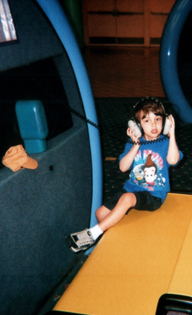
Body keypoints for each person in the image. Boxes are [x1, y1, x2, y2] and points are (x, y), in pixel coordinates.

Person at [66, 97, 183, 252]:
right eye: (147, 121)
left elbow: (174, 160)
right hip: (131, 189)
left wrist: (172, 134)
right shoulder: (133, 142)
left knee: (126, 199)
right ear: (137, 126)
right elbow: (123, 167)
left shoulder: (166, 143)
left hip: (154, 194)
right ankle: (123, 243)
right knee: (100, 213)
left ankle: (92, 234)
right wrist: (135, 146)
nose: (154, 125)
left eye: (158, 119)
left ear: (165, 123)